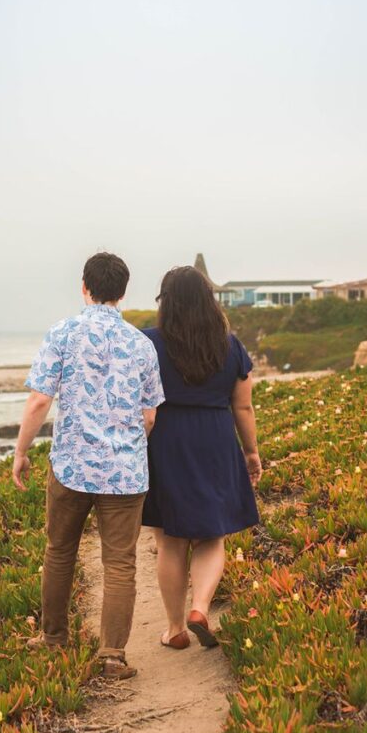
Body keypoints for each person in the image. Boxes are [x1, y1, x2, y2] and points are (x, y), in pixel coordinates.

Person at [13, 252, 164, 680]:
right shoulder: (141, 344)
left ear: (84, 287)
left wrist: (21, 451)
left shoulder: (62, 333)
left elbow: (40, 400)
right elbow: (150, 414)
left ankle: (53, 639)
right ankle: (112, 655)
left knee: (59, 552)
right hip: (126, 472)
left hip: (71, 467)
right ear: (122, 292)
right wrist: (128, 448)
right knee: (120, 562)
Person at [142, 266, 262, 650]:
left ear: (166, 303)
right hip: (214, 439)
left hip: (165, 439)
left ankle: (175, 629)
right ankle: (200, 608)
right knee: (212, 535)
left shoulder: (149, 344)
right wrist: (251, 451)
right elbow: (242, 408)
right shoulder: (230, 345)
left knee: (170, 539)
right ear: (209, 300)